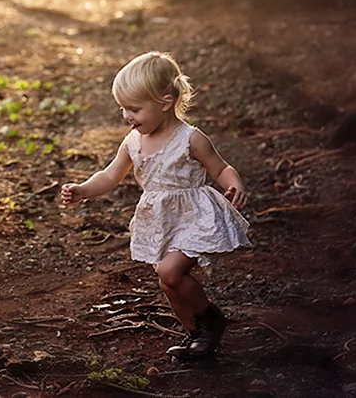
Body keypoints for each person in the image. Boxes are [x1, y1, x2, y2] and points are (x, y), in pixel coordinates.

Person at [60, 51, 251, 360]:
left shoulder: (191, 139)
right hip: (160, 220)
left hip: (192, 216)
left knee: (172, 272)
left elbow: (220, 168)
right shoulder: (132, 141)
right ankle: (197, 337)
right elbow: (110, 175)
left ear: (165, 103)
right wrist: (82, 190)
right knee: (167, 283)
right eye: (123, 108)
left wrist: (234, 185)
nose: (127, 116)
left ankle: (211, 319)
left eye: (134, 109)